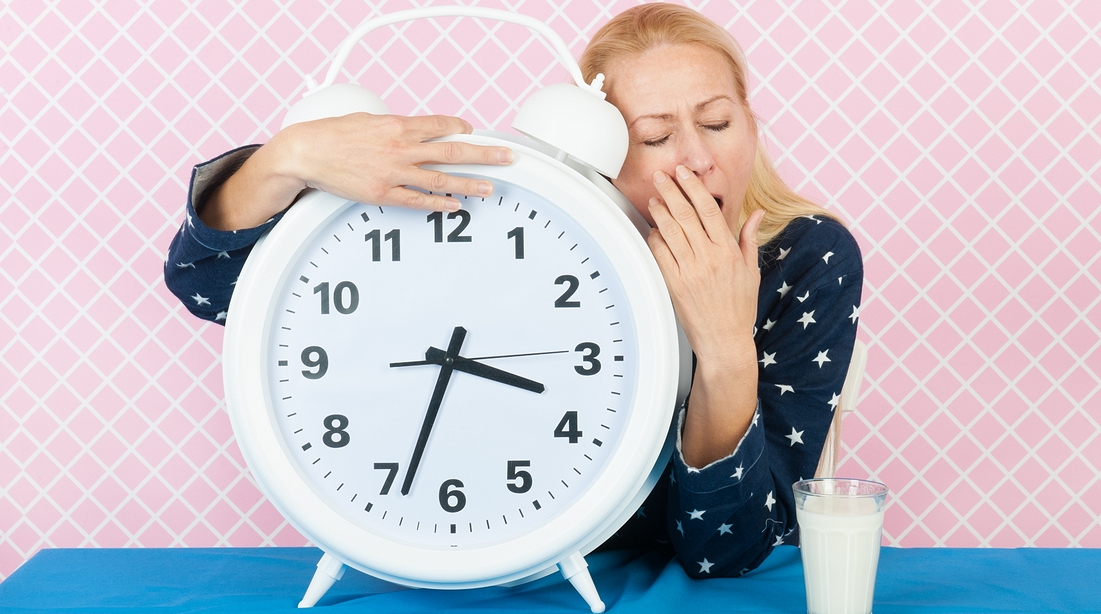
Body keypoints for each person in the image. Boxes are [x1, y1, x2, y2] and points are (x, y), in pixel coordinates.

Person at [165, 4, 861, 579]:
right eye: (655, 136)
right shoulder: (539, 229)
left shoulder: (807, 258)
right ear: (606, 155)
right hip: (508, 573)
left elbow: (729, 550)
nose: (698, 158)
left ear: (751, 124)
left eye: (716, 123)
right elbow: (204, 287)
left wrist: (725, 350)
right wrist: (287, 157)